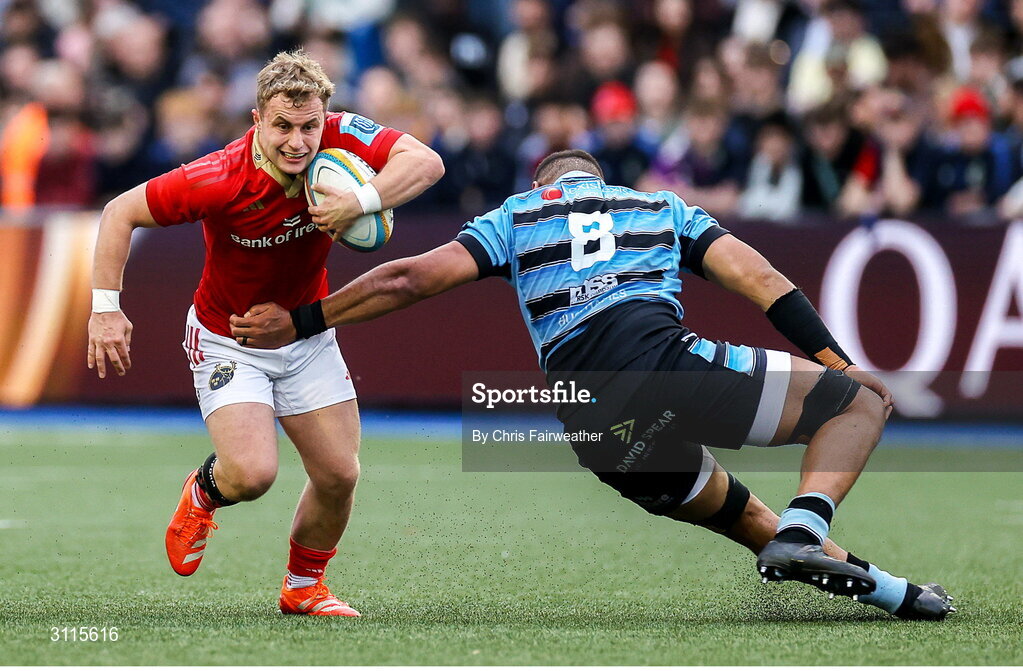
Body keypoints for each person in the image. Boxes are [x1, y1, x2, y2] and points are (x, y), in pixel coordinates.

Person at [229, 149, 955, 620]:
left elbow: (407, 276)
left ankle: (896, 594)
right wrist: (835, 359)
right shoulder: (657, 207)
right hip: (655, 358)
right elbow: (762, 281)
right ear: (597, 178)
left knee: (761, 528)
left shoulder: (515, 215)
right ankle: (813, 524)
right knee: (856, 402)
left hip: (588, 420)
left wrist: (301, 320)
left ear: (542, 185)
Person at [86, 50, 444, 617]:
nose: (298, 142)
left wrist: (360, 200)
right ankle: (203, 491)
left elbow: (427, 163)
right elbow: (119, 212)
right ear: (257, 120)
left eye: (308, 127)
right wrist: (106, 309)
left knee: (339, 474)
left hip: (305, 337)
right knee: (253, 475)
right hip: (229, 337)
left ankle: (304, 589)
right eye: (282, 126)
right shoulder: (220, 177)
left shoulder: (342, 135)